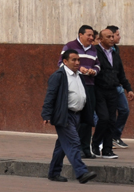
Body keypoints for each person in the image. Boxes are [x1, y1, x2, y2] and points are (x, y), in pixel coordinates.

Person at [42, 50, 97, 184]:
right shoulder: (59, 76)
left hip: (77, 115)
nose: (77, 62)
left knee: (62, 145)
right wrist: (46, 114)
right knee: (73, 142)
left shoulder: (79, 75)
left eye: (78, 60)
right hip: (64, 115)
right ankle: (81, 172)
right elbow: (50, 95)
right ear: (65, 61)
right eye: (74, 60)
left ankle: (54, 173)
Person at [63, 26, 99, 159]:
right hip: (75, 86)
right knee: (76, 119)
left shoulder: (93, 49)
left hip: (89, 86)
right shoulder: (70, 46)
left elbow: (98, 65)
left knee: (88, 118)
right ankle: (76, 149)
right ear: (80, 35)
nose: (91, 38)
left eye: (92, 36)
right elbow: (61, 64)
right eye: (89, 35)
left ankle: (86, 148)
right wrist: (79, 69)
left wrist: (94, 71)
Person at [91, 27, 122, 158]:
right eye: (108, 37)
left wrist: (128, 88)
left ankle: (107, 150)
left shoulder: (115, 53)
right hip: (99, 89)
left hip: (112, 90)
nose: (112, 39)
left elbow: (120, 72)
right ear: (100, 39)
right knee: (104, 118)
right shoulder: (95, 51)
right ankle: (95, 144)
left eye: (112, 36)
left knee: (111, 120)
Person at [108, 26, 134, 148]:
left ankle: (115, 136)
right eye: (117, 35)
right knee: (106, 115)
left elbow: (120, 72)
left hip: (117, 86)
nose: (119, 37)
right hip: (107, 88)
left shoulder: (115, 50)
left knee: (124, 110)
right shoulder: (100, 51)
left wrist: (128, 88)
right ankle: (105, 138)